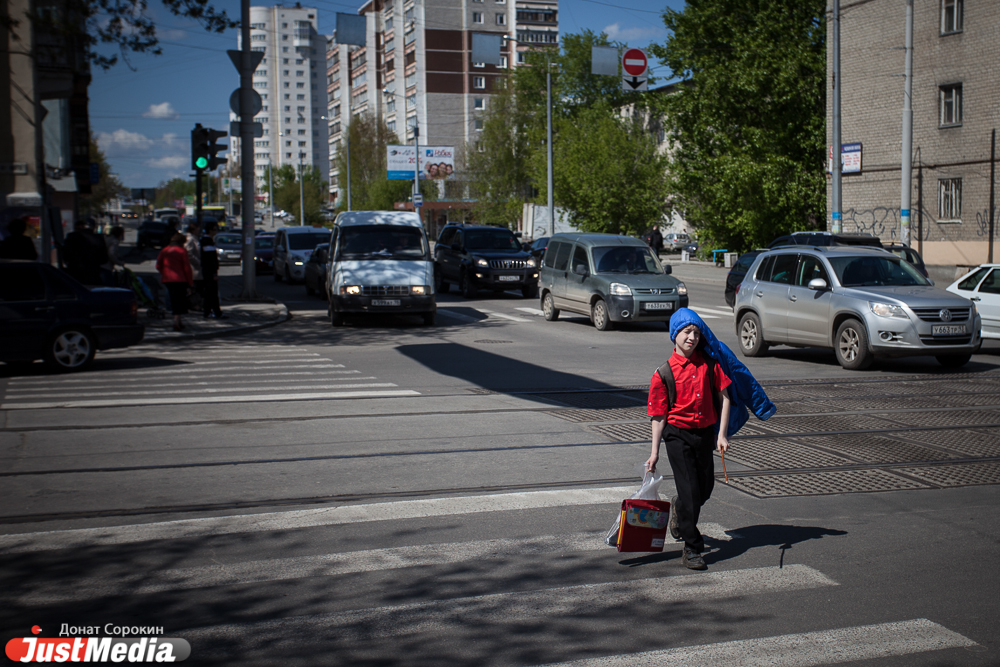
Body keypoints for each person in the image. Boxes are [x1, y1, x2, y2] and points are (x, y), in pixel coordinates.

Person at [646, 314, 732, 571]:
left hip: (704, 434)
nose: (692, 338)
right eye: (686, 332)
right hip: (677, 436)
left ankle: (679, 507)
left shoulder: (710, 365)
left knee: (704, 489)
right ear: (674, 335)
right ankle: (692, 547)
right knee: (691, 492)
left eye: (695, 332)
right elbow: (659, 415)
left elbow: (725, 398)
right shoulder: (663, 374)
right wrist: (654, 453)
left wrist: (722, 434)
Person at [156, 233, 193, 331]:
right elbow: (187, 268)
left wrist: (164, 273)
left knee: (173, 299)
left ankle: (179, 321)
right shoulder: (181, 251)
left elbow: (158, 265)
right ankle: (176, 322)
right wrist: (190, 282)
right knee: (179, 301)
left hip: (168, 279)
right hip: (180, 279)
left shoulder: (165, 250)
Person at [63, 219, 108, 285]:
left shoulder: (71, 237)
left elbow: (66, 255)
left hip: (75, 272)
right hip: (93, 272)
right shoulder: (98, 238)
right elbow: (104, 258)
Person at [200, 221, 225, 319]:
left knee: (210, 293)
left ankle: (211, 311)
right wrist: (214, 272)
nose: (216, 231)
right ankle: (213, 312)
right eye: (215, 229)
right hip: (209, 272)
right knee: (211, 293)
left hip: (208, 271)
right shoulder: (207, 241)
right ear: (210, 230)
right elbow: (210, 259)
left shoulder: (207, 240)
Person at [184, 221, 203, 309]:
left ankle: (196, 304)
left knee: (197, 287)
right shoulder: (190, 239)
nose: (199, 230)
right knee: (194, 288)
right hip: (193, 269)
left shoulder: (195, 238)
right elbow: (188, 252)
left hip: (196, 269)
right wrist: (197, 262)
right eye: (197, 228)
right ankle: (193, 304)